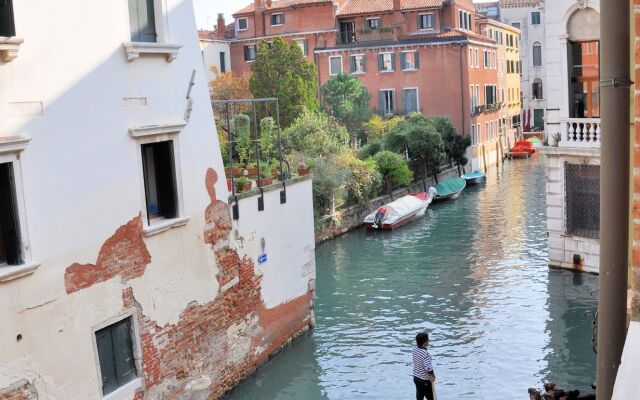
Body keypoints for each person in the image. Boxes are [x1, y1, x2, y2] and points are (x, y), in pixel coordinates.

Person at [412, 331, 435, 400]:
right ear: (425, 342)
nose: (428, 340)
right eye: (428, 339)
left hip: (416, 377)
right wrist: (433, 376)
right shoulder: (425, 354)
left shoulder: (414, 349)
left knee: (419, 397)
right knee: (431, 398)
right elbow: (429, 368)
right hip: (424, 380)